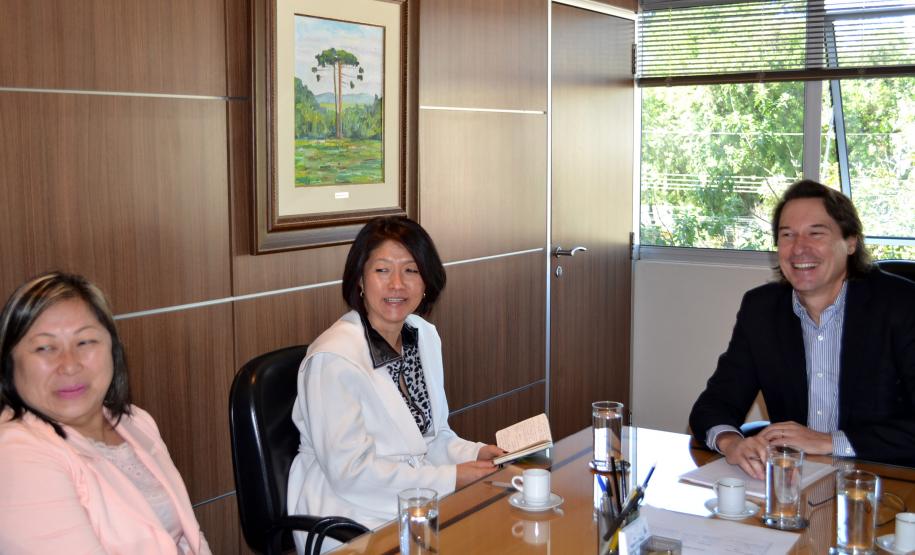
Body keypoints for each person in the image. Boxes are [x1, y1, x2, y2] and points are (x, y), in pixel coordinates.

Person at [287, 216, 503, 551]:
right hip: (348, 513)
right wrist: (451, 478)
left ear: (426, 282)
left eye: (411, 271)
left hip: (413, 499)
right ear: (360, 279)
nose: (397, 284)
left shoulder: (423, 337)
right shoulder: (334, 358)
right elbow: (351, 474)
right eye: (383, 270)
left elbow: (433, 437)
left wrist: (477, 453)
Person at [689, 180, 915, 479]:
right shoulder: (762, 309)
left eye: (816, 233)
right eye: (787, 235)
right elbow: (714, 404)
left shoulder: (903, 305)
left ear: (850, 242)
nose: (799, 248)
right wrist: (731, 443)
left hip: (884, 479)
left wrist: (828, 442)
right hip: (795, 482)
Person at [0, 272, 211, 554]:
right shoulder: (17, 455)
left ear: (113, 349)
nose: (69, 364)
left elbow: (190, 538)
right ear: (10, 365)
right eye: (45, 347)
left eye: (85, 342)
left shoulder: (135, 421)